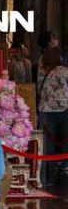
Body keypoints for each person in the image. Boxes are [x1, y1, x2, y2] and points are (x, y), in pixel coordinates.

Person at [37, 47, 68, 184]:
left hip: (45, 110)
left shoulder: (42, 71)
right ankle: (65, 164)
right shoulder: (64, 71)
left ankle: (46, 175)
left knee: (46, 144)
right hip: (64, 109)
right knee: (65, 140)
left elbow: (39, 89)